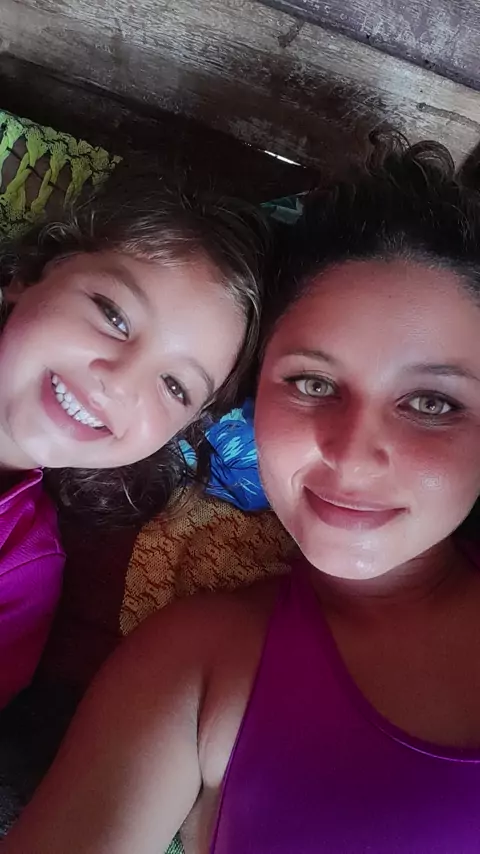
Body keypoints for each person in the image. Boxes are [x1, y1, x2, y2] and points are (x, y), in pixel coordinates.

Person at [5, 137, 480, 854]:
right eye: (313, 383)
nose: (351, 454)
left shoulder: (26, 566)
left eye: (432, 403)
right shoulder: (195, 670)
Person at [0, 173, 265, 710]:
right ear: (32, 274)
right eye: (114, 316)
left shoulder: (22, 571)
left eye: (174, 386)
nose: (118, 382)